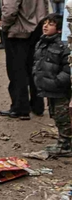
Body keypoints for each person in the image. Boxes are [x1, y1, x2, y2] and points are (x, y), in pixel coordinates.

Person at [0, 0, 49, 120]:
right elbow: (44, 6)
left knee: (17, 72)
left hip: (17, 35)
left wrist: (4, 27)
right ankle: (37, 106)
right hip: (36, 32)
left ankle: (20, 108)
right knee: (33, 69)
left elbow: (9, 12)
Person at [32, 13, 72, 156]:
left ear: (59, 29)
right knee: (55, 114)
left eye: (50, 24)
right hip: (48, 87)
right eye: (45, 23)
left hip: (59, 89)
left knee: (63, 116)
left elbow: (67, 69)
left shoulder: (63, 46)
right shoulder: (42, 42)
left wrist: (57, 82)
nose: (45, 26)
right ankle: (62, 142)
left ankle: (66, 144)